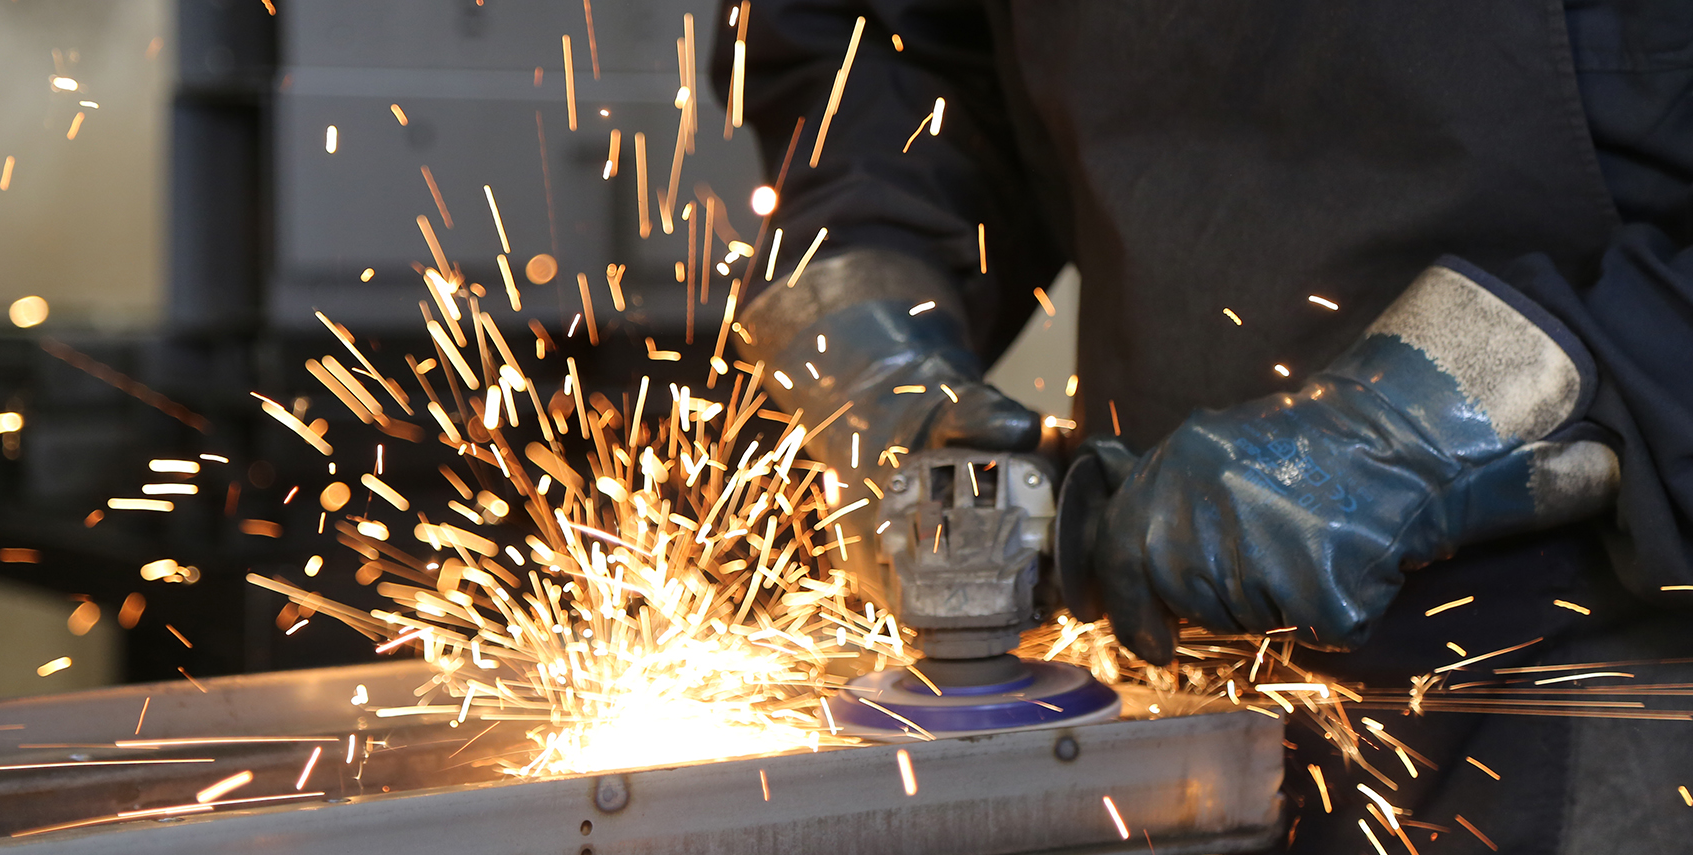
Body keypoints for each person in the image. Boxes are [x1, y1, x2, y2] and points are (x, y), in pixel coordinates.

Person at [716, 2, 1693, 851]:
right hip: (1157, 661)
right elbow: (882, 48)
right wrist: (871, 337)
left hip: (1589, 669)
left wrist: (1442, 411)